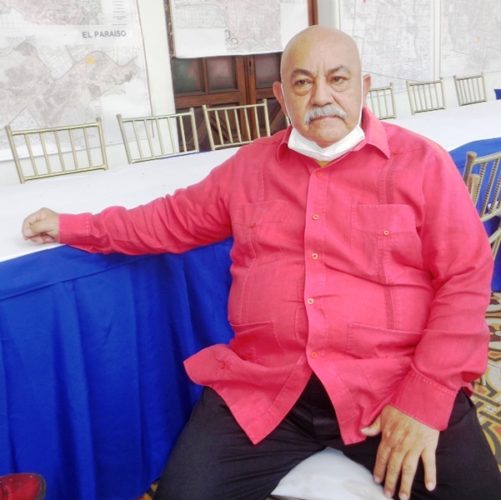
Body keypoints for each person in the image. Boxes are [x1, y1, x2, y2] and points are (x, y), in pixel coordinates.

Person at [22, 26, 501, 500]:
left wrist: (424, 397)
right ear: (281, 95)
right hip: (267, 385)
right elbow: (168, 219)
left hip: (389, 385)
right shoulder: (248, 169)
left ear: (364, 86)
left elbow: (464, 278)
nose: (321, 96)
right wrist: (73, 226)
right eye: (302, 82)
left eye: (337, 79)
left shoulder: (421, 163)